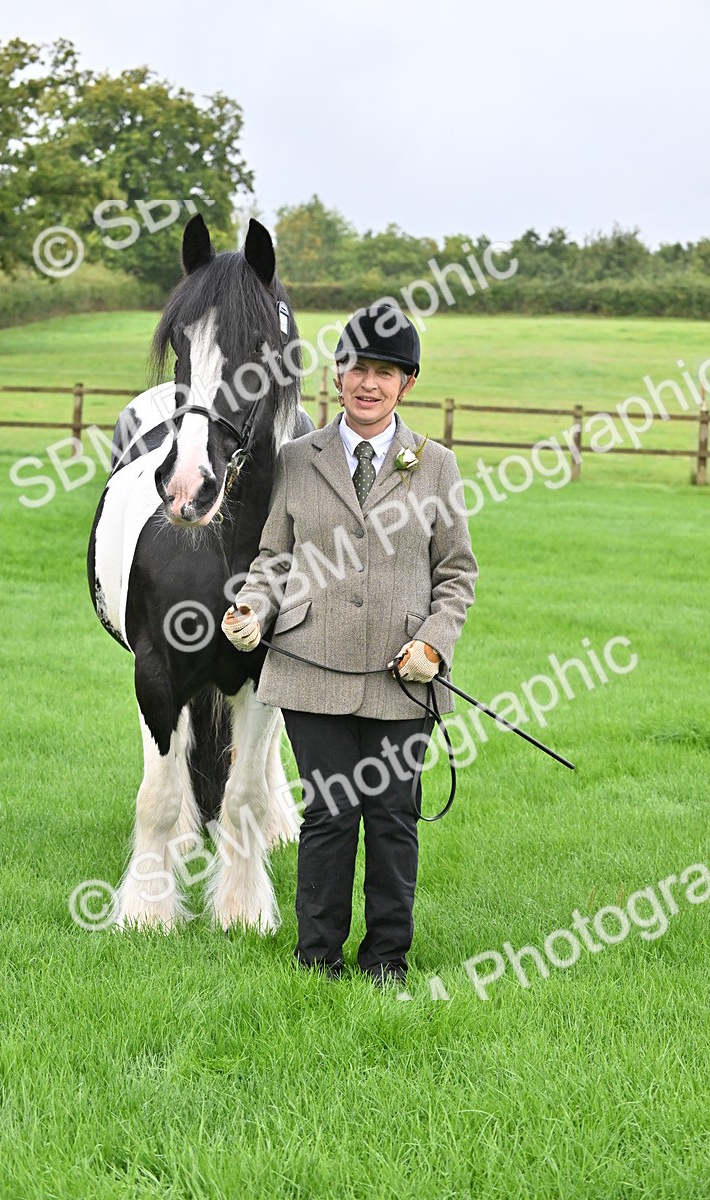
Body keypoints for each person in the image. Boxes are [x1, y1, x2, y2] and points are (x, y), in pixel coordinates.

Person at [221, 304, 478, 986]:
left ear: (407, 384)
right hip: (313, 670)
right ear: (338, 375)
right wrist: (254, 606)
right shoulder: (296, 460)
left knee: (393, 817)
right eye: (357, 368)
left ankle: (387, 958)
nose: (368, 383)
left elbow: (457, 574)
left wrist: (434, 643)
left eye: (384, 373)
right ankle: (318, 960)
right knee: (328, 816)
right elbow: (274, 556)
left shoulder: (438, 466)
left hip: (404, 679)